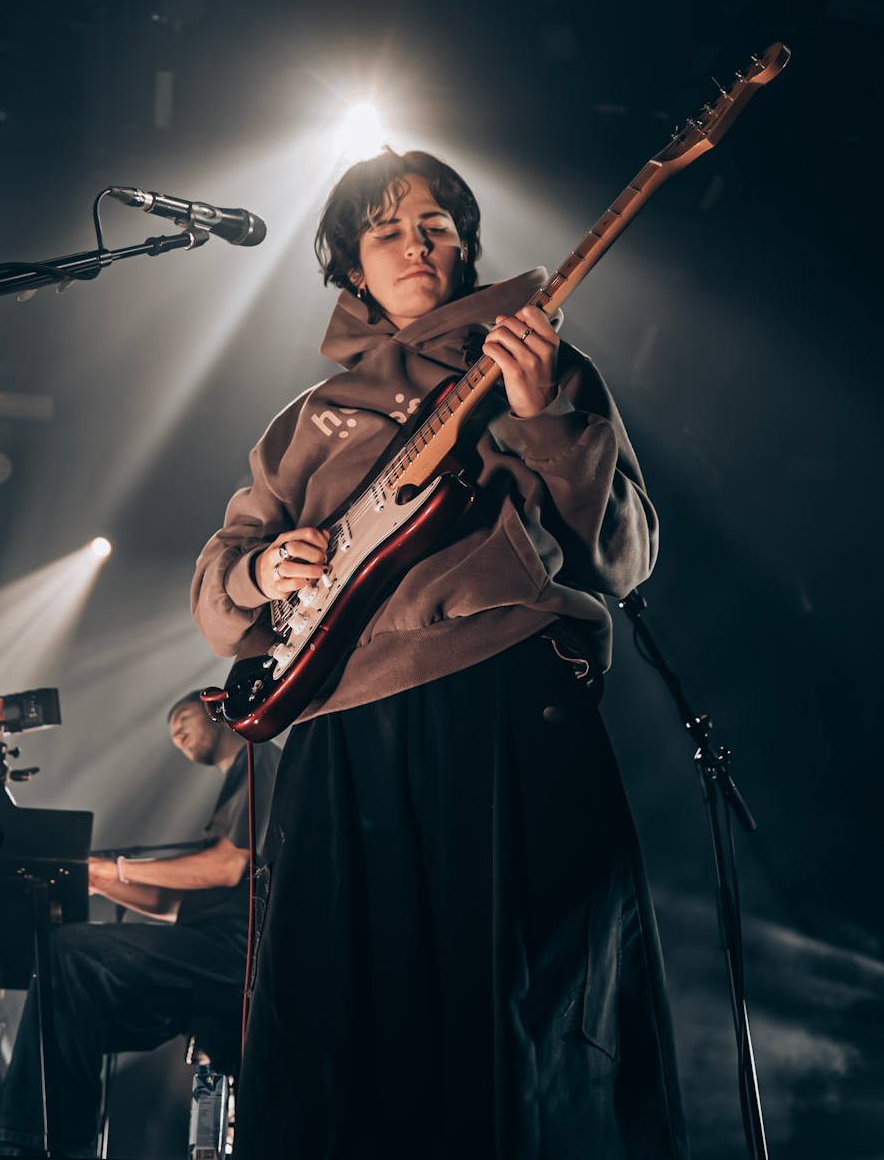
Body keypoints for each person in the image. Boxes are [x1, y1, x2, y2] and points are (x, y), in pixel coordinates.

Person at [191, 149, 688, 1159]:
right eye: (386, 230)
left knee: (515, 1018)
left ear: (465, 249)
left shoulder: (534, 359)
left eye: (436, 225)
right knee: (332, 1032)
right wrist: (259, 571)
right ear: (348, 269)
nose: (414, 243)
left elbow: (625, 556)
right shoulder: (301, 421)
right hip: (341, 734)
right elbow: (221, 588)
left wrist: (544, 413)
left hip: (500, 699)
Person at [0, 692, 279, 1158]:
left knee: (70, 952)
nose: (178, 735)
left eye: (183, 719)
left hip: (236, 952)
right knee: (72, 993)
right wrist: (100, 885)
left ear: (214, 710)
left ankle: (36, 1144)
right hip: (207, 946)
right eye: (170, 733)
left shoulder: (257, 755)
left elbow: (224, 868)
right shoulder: (237, 785)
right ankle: (54, 1142)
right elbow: (170, 902)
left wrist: (112, 870)